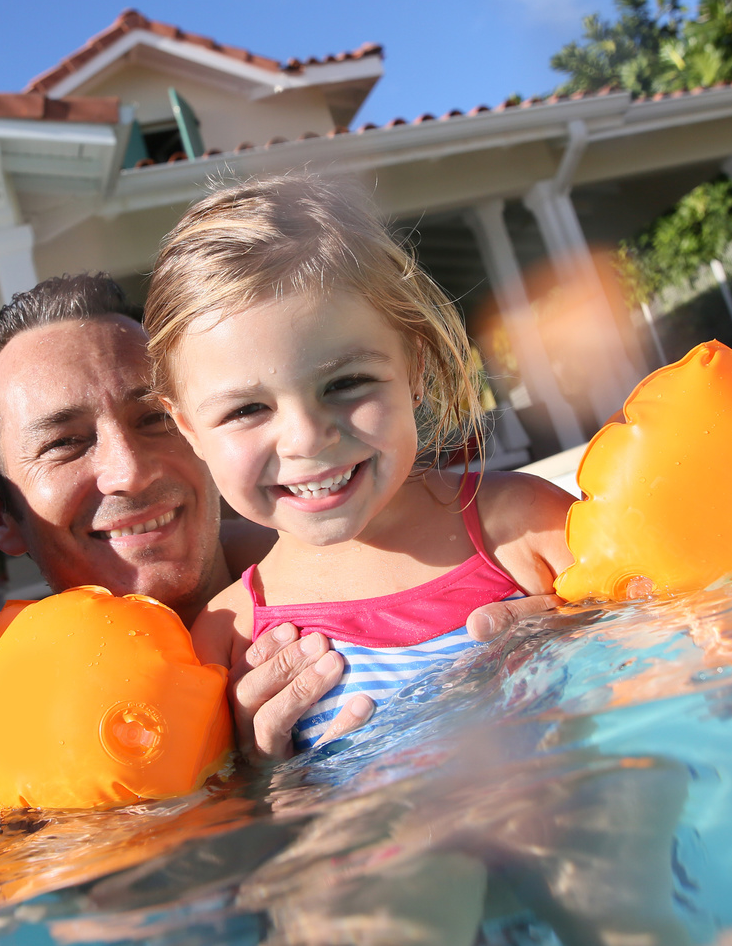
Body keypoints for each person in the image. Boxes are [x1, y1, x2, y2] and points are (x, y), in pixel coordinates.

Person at [0, 273, 563, 761]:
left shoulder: (367, 551)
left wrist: (577, 634)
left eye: (153, 418)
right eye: (66, 442)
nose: (130, 470)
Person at [145, 177, 578, 750]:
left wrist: (596, 640)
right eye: (247, 409)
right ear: (189, 430)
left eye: (346, 383)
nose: (306, 438)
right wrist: (266, 777)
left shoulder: (525, 530)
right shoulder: (232, 640)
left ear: (415, 366)